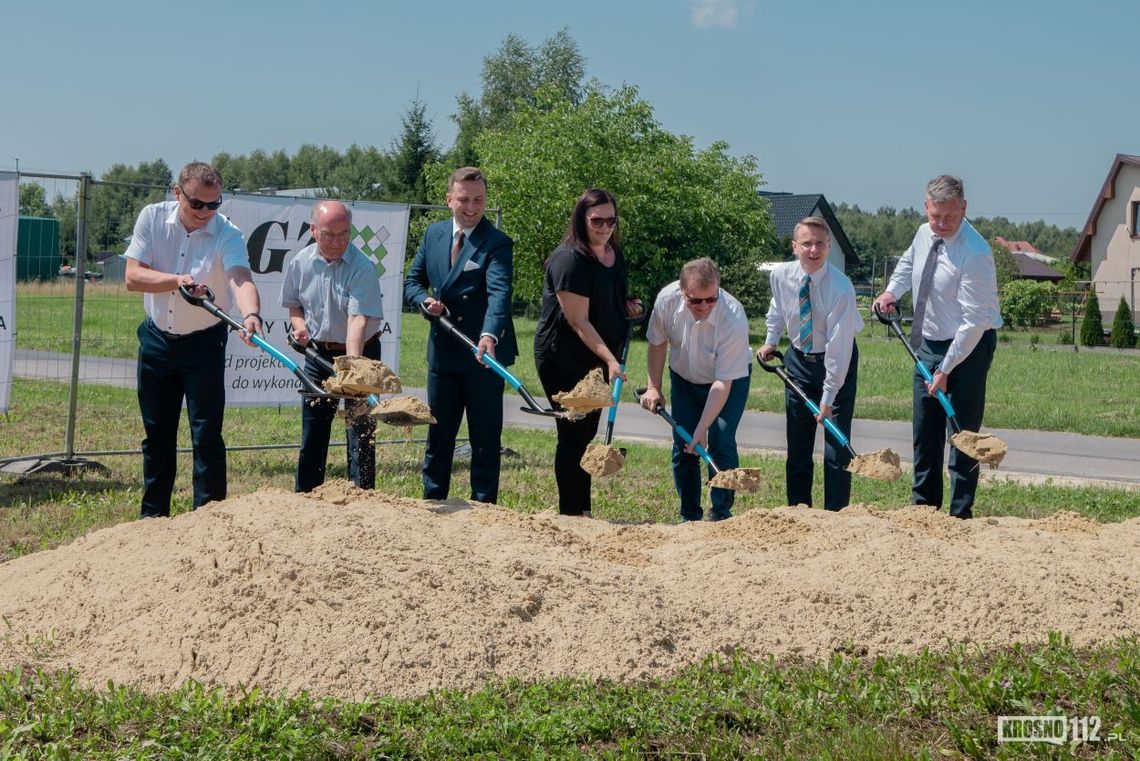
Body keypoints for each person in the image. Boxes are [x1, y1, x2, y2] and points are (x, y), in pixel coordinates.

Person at [124, 161, 261, 518]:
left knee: (206, 436)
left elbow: (240, 278)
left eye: (214, 205)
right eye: (197, 204)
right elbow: (132, 277)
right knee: (157, 437)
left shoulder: (227, 233)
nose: (206, 213)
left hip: (204, 345)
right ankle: (153, 519)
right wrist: (177, 281)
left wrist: (251, 315)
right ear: (177, 193)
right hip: (156, 342)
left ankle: (209, 518)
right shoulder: (152, 218)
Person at [872, 175, 1001, 519]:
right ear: (926, 207)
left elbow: (973, 322)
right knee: (924, 429)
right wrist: (890, 293)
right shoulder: (923, 233)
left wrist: (946, 370)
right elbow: (909, 264)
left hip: (969, 348)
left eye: (950, 217)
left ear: (964, 208)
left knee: (962, 432)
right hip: (928, 343)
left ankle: (960, 514)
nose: (942, 224)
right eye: (935, 216)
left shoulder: (975, 254)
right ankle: (924, 509)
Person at [404, 167, 517, 504]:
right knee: (439, 435)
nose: (471, 207)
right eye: (464, 199)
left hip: (483, 353)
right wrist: (424, 301)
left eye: (479, 200)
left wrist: (488, 336)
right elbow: (412, 280)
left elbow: (499, 294)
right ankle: (433, 502)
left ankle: (484, 508)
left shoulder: (496, 242)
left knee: (484, 438)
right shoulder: (433, 235)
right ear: (449, 199)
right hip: (443, 351)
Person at [534, 188, 643, 517]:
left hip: (596, 355)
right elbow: (579, 320)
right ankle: (572, 513)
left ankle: (584, 511)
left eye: (612, 220)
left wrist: (629, 307)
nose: (605, 226)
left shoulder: (613, 252)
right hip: (562, 357)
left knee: (588, 433)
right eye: (597, 220)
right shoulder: (569, 260)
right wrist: (610, 359)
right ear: (581, 219)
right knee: (572, 434)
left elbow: (608, 298)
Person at [758, 216, 863, 511]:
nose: (813, 250)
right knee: (798, 447)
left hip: (836, 365)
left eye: (820, 243)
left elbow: (838, 350)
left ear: (829, 245)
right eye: (807, 244)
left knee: (836, 450)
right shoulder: (781, 276)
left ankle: (836, 515)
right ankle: (799, 513)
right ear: (795, 247)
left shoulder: (840, 288)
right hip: (798, 362)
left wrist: (828, 398)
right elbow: (778, 309)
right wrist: (771, 340)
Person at [280, 200, 384, 493]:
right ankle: (308, 494)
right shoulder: (300, 263)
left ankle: (362, 494)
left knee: (360, 430)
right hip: (317, 354)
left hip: (360, 353)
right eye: (329, 234)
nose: (337, 241)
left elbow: (357, 321)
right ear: (313, 230)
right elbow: (294, 305)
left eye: (344, 234)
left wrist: (351, 367)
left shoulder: (362, 267)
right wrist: (299, 325)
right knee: (314, 429)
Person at [640, 258, 752, 522]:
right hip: (684, 377)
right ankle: (689, 517)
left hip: (728, 381)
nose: (704, 306)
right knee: (684, 445)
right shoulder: (666, 301)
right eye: (695, 301)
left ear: (718, 291)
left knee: (721, 439)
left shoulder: (733, 317)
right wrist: (654, 386)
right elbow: (657, 343)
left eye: (710, 299)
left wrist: (702, 430)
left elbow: (722, 383)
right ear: (682, 292)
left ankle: (721, 515)